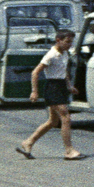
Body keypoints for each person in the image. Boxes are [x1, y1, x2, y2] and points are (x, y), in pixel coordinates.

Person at [18, 30, 82, 160]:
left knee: (53, 121)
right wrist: (34, 91)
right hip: (52, 87)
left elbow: (64, 71)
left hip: (61, 86)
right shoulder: (51, 55)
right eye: (67, 42)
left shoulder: (64, 53)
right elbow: (35, 72)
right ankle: (68, 150)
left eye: (71, 42)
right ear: (58, 40)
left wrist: (69, 86)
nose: (70, 44)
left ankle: (28, 142)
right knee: (66, 117)